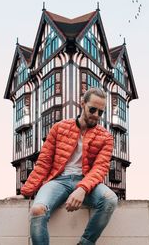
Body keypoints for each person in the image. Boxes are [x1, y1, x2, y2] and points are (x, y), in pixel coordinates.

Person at [20, 87, 118, 245]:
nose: (96, 115)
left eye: (100, 112)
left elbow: (100, 168)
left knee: (110, 200)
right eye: (92, 109)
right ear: (82, 104)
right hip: (58, 181)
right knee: (37, 210)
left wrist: (82, 188)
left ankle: (85, 243)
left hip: (86, 182)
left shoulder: (106, 137)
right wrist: (25, 193)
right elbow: (44, 162)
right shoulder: (59, 128)